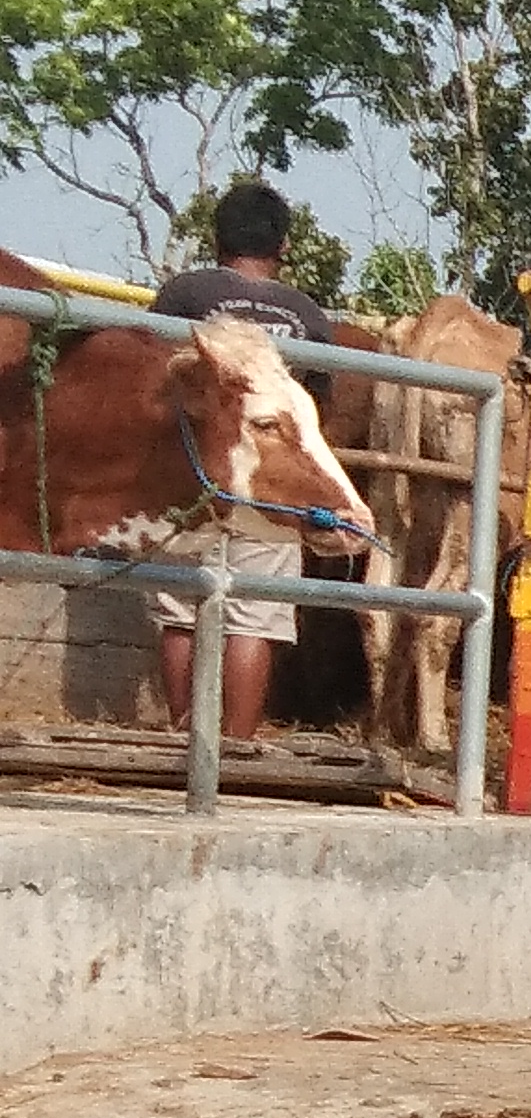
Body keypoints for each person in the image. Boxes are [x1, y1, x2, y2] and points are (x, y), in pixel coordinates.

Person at [143, 179, 340, 743]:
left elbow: (152, 377)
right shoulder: (305, 315)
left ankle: (183, 743)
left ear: (217, 239)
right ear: (282, 245)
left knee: (182, 610)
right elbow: (316, 406)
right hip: (271, 488)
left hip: (193, 478)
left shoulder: (184, 296)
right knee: (255, 615)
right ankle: (236, 750)